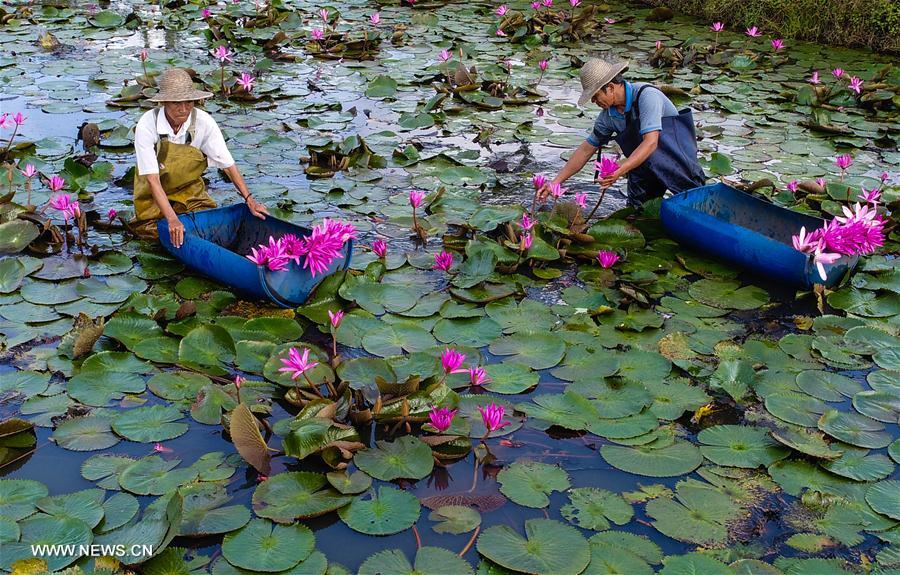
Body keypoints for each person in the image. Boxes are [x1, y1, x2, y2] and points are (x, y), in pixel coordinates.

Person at [538, 58, 706, 209]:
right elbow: (585, 150)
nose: (594, 102)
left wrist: (619, 170)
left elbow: (651, 142)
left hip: (677, 161)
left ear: (610, 88)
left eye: (595, 96)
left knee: (697, 209)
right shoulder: (607, 117)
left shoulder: (648, 96)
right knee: (637, 216)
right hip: (642, 169)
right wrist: (554, 183)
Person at [131, 67, 268, 247]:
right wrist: (172, 220)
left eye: (189, 102)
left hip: (189, 191)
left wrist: (249, 200)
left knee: (205, 228)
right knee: (156, 233)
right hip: (152, 194)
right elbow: (152, 180)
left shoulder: (204, 122)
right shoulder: (147, 125)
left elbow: (227, 165)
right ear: (163, 102)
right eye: (176, 103)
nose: (183, 108)